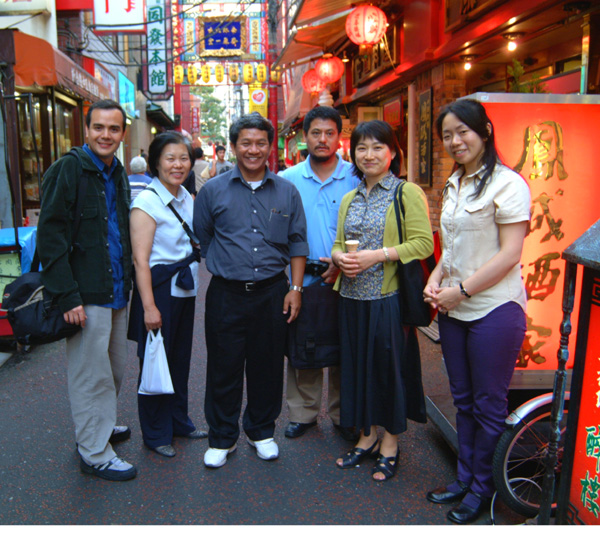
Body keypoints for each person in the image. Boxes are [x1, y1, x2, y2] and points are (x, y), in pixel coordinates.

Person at [424, 99, 530, 524]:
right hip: (454, 309)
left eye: (462, 131)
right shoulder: (454, 184)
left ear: (485, 130)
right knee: (463, 402)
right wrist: (435, 278)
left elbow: (510, 255)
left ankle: (484, 490)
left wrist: (461, 291)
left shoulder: (508, 184)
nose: (455, 141)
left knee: (489, 405)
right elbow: (451, 249)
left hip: (494, 310)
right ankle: (465, 477)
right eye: (447, 135)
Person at [194, 113, 308, 468]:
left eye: (260, 143)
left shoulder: (287, 191)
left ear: (270, 147)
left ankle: (261, 431)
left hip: (272, 292)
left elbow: (297, 242)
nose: (253, 150)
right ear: (234, 146)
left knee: (268, 365)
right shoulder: (213, 190)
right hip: (225, 294)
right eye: (246, 143)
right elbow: (204, 236)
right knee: (223, 367)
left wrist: (295, 287)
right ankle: (222, 437)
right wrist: (225, 263)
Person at [36, 99, 136, 481]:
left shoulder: (117, 172)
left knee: (113, 369)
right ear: (87, 129)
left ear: (122, 134)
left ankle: (101, 425)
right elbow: (51, 236)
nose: (105, 135)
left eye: (113, 129)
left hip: (114, 290)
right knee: (89, 374)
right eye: (99, 128)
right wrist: (67, 295)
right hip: (85, 294)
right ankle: (95, 452)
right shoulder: (70, 169)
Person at [331, 120, 434, 482]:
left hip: (388, 298)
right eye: (361, 148)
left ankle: (390, 443)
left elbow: (424, 244)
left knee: (388, 372)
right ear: (353, 154)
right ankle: (366, 436)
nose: (369, 155)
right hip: (351, 297)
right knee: (356, 369)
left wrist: (379, 255)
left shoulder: (405, 193)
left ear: (393, 152)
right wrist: (338, 257)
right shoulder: (349, 197)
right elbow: (340, 243)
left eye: (378, 147)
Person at [279, 106, 359, 441]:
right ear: (304, 136)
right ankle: (303, 413)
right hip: (304, 278)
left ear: (340, 136)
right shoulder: (288, 180)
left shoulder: (356, 176)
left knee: (345, 346)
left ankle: (344, 413)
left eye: (329, 133)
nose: (322, 139)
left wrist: (343, 265)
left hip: (351, 278)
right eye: (316, 133)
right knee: (304, 348)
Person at [128, 132, 208, 458]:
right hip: (159, 290)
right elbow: (140, 261)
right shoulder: (146, 202)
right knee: (154, 361)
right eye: (170, 158)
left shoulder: (186, 197)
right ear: (156, 162)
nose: (178, 165)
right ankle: (156, 432)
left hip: (184, 290)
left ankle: (178, 420)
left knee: (178, 359)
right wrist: (148, 307)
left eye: (184, 158)